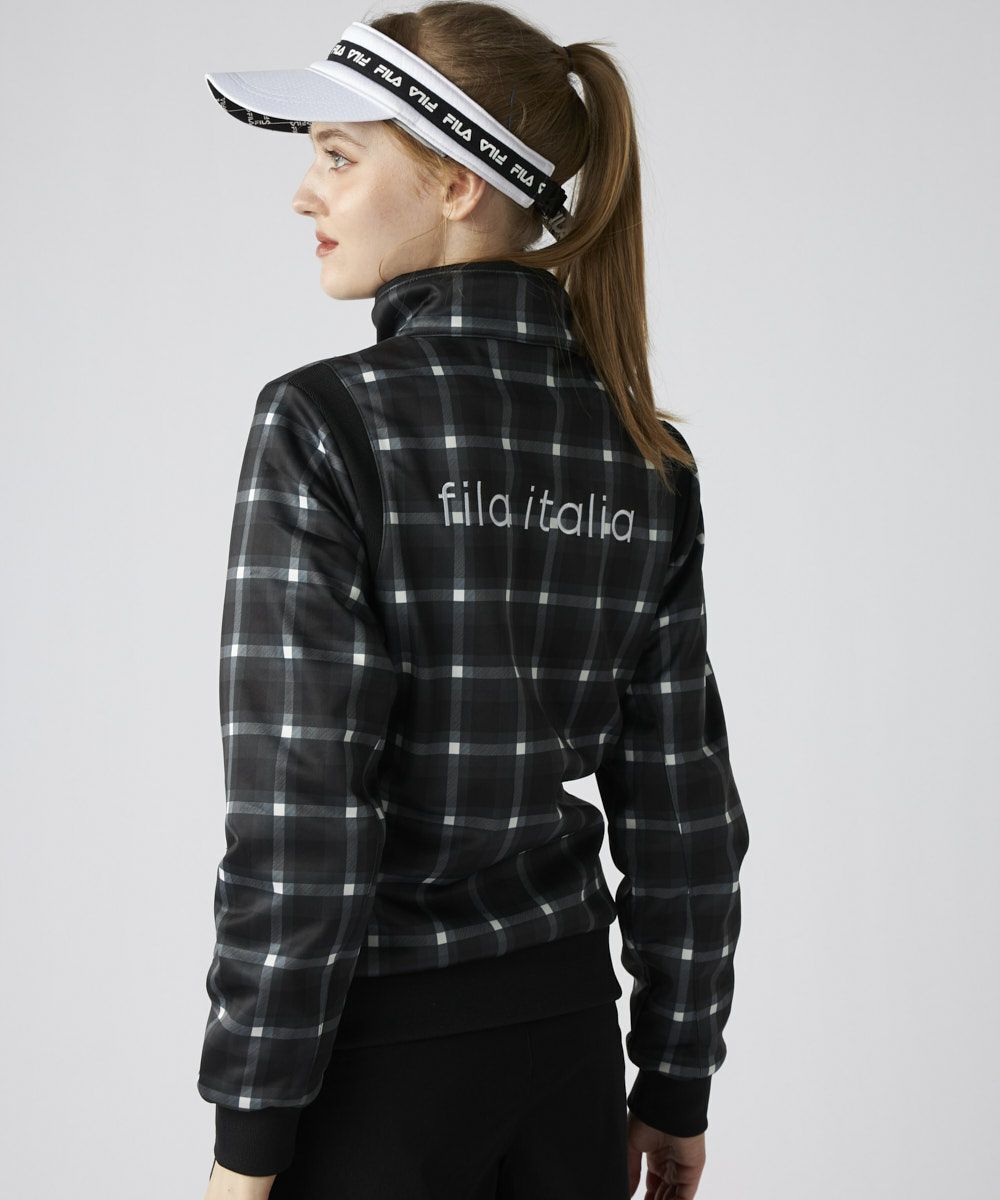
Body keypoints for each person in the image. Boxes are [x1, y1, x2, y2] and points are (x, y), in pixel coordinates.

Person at [197, 5, 750, 1199]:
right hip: (567, 1055)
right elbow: (683, 805)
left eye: (338, 155)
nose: (303, 193)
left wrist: (249, 1137)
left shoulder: (323, 423)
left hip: (379, 1074)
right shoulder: (642, 454)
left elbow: (303, 814)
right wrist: (673, 1081)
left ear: (456, 183)